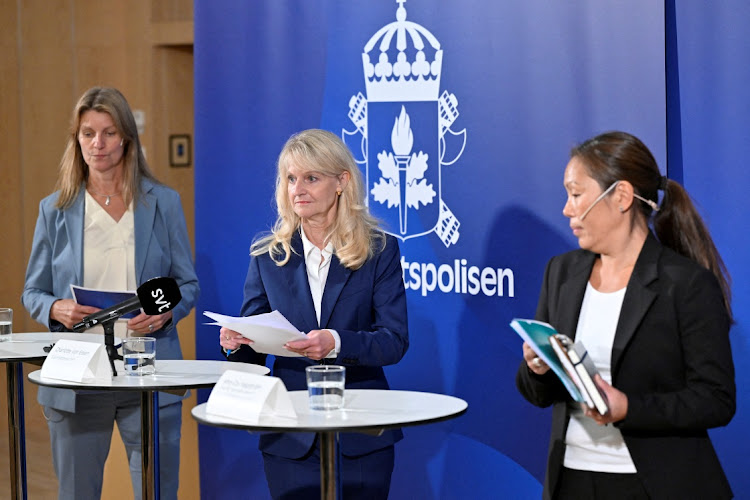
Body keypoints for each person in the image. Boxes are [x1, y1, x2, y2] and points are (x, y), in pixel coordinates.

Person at [516, 131, 735, 500]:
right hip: (571, 480)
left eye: (575, 194)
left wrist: (629, 407)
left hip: (656, 485)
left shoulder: (685, 284)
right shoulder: (561, 272)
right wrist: (538, 368)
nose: (567, 209)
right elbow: (538, 394)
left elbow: (715, 399)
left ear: (620, 196)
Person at [22, 86, 199, 500]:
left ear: (126, 139)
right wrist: (56, 307)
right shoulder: (56, 209)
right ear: (77, 139)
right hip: (79, 374)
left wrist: (166, 314)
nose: (97, 144)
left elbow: (186, 284)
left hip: (148, 369)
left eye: (108, 132)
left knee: (157, 492)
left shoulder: (163, 203)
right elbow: (33, 290)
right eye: (87, 133)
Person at [219, 128, 409, 499]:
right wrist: (235, 344)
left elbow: (395, 342)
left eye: (311, 178)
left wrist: (335, 343)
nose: (298, 189)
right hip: (289, 435)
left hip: (360, 430)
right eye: (291, 179)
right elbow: (252, 355)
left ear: (342, 182)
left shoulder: (379, 251)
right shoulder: (267, 257)